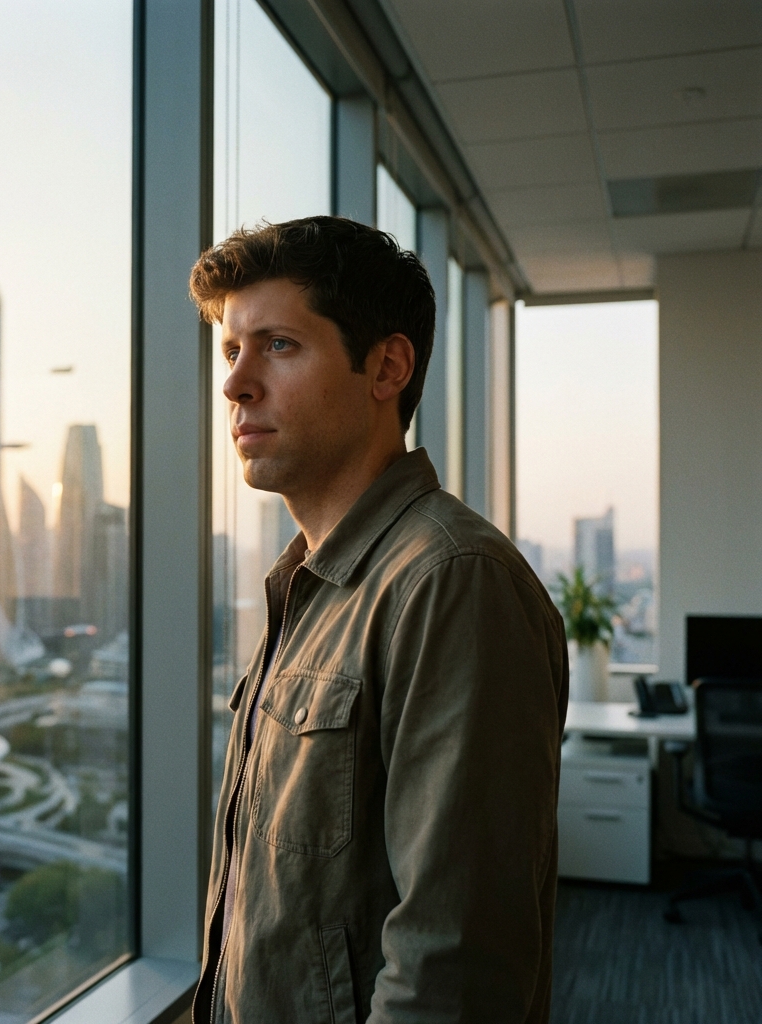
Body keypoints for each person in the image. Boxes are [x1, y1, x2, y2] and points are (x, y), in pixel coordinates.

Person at [189, 216, 568, 1024]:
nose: (235, 384)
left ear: (386, 367)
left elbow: (454, 967)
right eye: (231, 350)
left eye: (278, 346)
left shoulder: (450, 583)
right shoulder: (310, 586)